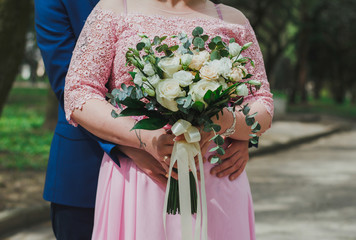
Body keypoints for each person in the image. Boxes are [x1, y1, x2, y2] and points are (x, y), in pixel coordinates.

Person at [34, 0, 252, 239]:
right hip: (86, 167)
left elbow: (221, 58)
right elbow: (70, 85)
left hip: (198, 171)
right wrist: (136, 144)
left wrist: (239, 131)